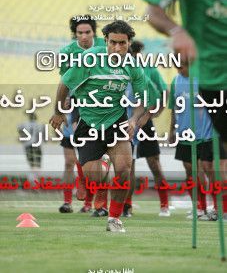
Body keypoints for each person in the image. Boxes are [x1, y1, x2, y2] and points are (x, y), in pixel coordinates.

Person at [142, 0, 227, 213]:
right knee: (205, 164)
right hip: (213, 77)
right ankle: (210, 207)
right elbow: (153, 10)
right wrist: (177, 31)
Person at [50, 20, 160, 232]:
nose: (117, 48)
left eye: (122, 43)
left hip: (116, 121)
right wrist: (57, 112)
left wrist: (134, 119)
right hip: (89, 123)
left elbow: (141, 100)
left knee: (124, 169)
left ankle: (115, 218)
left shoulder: (133, 66)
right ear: (106, 41)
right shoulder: (90, 59)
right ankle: (101, 163)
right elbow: (64, 84)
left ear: (129, 43)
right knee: (96, 178)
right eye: (113, 43)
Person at [59, 14, 108, 215]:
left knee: (93, 160)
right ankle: (68, 202)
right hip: (74, 108)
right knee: (72, 159)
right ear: (75, 34)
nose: (84, 36)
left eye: (88, 32)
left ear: (94, 32)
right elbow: (64, 82)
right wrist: (62, 106)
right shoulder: (67, 53)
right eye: (80, 33)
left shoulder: (104, 50)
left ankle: (94, 203)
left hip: (99, 108)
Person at [169, 60, 226, 220]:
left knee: (207, 170)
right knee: (190, 171)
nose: (179, 70)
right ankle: (200, 207)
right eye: (177, 67)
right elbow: (174, 107)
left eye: (182, 67)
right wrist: (172, 128)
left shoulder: (204, 80)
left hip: (206, 133)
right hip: (185, 133)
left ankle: (217, 207)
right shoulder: (176, 81)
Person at [123, 41, 170, 217]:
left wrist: (152, 114)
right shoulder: (121, 70)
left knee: (154, 164)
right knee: (128, 165)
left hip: (143, 121)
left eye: (136, 55)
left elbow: (163, 91)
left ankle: (164, 204)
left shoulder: (148, 69)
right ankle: (127, 206)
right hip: (126, 122)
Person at [18, 112, 44, 184]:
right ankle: (36, 180)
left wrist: (22, 138)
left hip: (28, 145)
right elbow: (43, 135)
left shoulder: (24, 124)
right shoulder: (39, 125)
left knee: (31, 163)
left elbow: (19, 129)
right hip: (37, 145)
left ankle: (33, 180)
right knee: (38, 163)